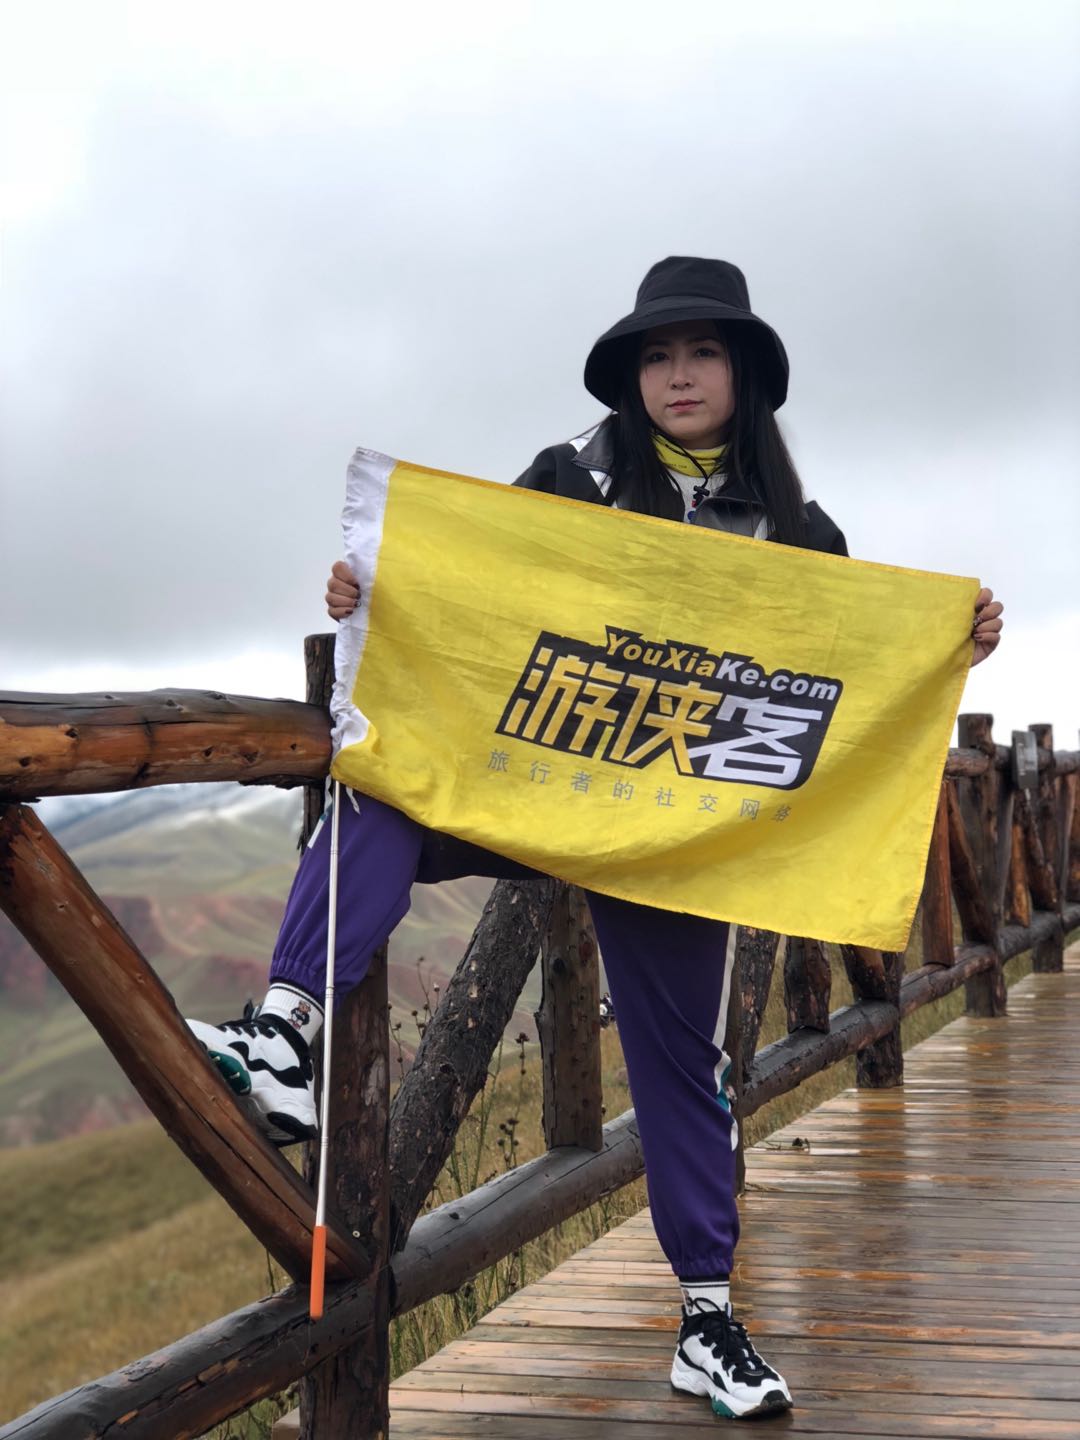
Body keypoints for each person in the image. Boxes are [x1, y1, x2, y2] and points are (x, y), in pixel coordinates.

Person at [188, 257, 1003, 1420]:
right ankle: (285, 1037)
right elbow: (466, 596)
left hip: (682, 831)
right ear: (632, 377)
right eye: (657, 356)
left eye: (703, 353)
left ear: (743, 374)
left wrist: (951, 639)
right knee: (379, 791)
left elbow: (849, 674)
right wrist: (370, 589)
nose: (679, 375)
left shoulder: (798, 530)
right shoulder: (569, 481)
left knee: (683, 1063)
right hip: (545, 783)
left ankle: (708, 1320)